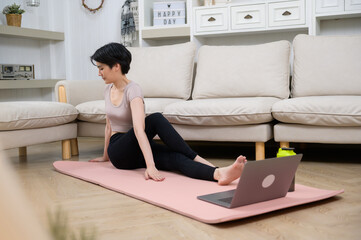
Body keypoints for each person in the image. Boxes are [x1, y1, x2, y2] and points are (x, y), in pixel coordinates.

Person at [89, 42, 247, 185]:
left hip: (136, 147)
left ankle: (217, 173)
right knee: (156, 118)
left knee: (175, 159)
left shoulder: (133, 90)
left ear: (116, 66)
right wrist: (105, 156)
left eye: (101, 68)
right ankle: (198, 158)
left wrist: (150, 164)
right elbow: (109, 126)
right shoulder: (107, 89)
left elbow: (139, 129)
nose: (99, 73)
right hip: (119, 151)